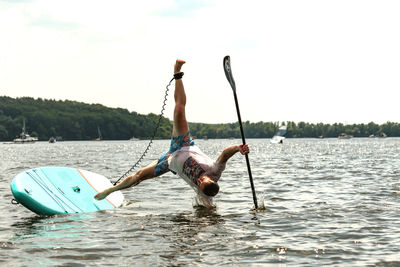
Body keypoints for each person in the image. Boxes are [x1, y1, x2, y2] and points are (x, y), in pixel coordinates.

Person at [94, 59, 249, 208]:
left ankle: (111, 190)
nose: (199, 181)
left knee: (139, 177)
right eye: (202, 181)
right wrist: (238, 148)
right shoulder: (215, 171)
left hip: (170, 162)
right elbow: (224, 154)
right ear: (211, 179)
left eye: (199, 185)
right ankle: (177, 73)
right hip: (183, 143)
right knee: (179, 110)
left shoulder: (205, 194)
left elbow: (209, 210)